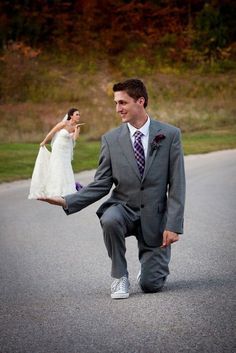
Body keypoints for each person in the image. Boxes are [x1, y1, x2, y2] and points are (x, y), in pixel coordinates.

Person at [38, 79, 186, 300]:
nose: (118, 109)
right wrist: (66, 200)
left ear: (140, 101)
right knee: (110, 218)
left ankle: (149, 272)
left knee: (151, 285)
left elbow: (177, 184)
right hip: (123, 209)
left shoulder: (170, 135)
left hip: (155, 216)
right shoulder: (110, 139)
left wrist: (173, 225)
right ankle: (119, 276)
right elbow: (102, 183)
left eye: (123, 103)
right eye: (116, 103)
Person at [28, 108, 82, 199]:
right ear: (71, 116)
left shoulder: (76, 127)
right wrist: (44, 142)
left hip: (66, 151)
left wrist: (76, 130)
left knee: (66, 167)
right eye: (77, 114)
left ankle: (66, 190)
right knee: (57, 166)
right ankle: (54, 189)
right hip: (58, 148)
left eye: (79, 114)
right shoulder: (64, 124)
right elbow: (52, 132)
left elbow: (74, 139)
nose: (79, 116)